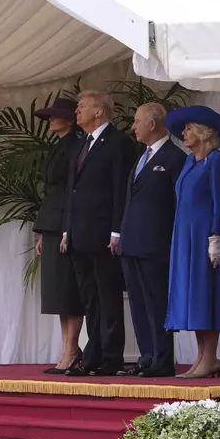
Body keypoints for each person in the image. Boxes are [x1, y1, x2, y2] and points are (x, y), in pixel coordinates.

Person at [60, 91, 136, 377]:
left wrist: (117, 230)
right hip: (79, 233)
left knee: (108, 296)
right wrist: (67, 229)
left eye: (82, 106)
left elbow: (120, 190)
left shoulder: (118, 143)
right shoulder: (83, 144)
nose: (76, 111)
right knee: (90, 299)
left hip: (104, 234)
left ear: (99, 111)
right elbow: (72, 191)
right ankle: (93, 356)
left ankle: (111, 357)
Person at [165, 106, 220, 379]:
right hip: (185, 237)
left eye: (188, 129)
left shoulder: (217, 160)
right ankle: (202, 358)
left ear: (203, 132)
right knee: (192, 298)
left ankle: (210, 358)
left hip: (205, 236)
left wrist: (216, 237)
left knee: (207, 294)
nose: (183, 134)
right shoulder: (189, 161)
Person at [117, 103, 186, 378]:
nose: (133, 126)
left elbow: (179, 204)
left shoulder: (175, 157)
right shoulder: (142, 157)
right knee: (138, 303)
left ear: (153, 124)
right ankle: (146, 357)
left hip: (156, 244)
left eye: (137, 121)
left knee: (157, 302)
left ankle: (162, 359)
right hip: (132, 242)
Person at [32, 97, 84, 374]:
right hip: (52, 223)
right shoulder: (57, 147)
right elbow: (50, 193)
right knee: (57, 293)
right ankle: (66, 349)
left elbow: (73, 192)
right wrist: (42, 230)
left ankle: (72, 350)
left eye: (56, 115)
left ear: (70, 120)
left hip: (67, 223)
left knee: (69, 289)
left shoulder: (77, 147)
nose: (51, 120)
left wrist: (67, 227)